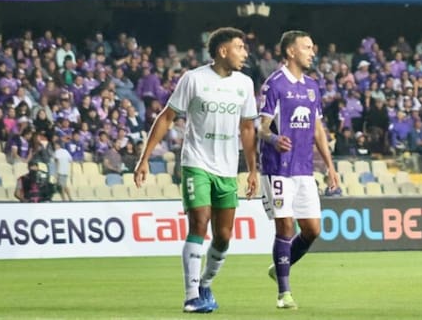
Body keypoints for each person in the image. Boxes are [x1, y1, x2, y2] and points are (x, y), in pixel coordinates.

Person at [134, 27, 258, 314]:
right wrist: (144, 158)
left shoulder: (245, 84)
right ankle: (191, 296)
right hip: (196, 163)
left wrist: (253, 170)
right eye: (240, 47)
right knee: (199, 224)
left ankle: (204, 284)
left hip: (227, 168)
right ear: (223, 51)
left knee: (223, 236)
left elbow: (247, 128)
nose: (245, 53)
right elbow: (166, 117)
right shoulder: (194, 79)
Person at [257, 30, 339, 310]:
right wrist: (273, 139)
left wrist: (330, 166)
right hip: (278, 167)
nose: (312, 52)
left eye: (312, 48)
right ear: (291, 51)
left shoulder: (312, 86)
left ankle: (280, 265)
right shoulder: (274, 84)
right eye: (307, 47)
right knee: (285, 226)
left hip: (304, 167)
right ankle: (284, 293)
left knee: (312, 230)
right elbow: (262, 127)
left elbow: (318, 130)